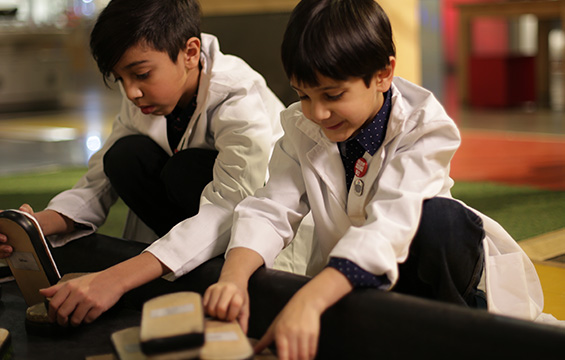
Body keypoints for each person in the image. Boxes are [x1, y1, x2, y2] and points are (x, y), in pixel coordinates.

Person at [203, 1, 548, 359]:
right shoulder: (302, 126)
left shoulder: (426, 127)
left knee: (439, 222)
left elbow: (390, 226)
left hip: (434, 271)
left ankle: (454, 335)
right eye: (303, 95)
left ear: (383, 74)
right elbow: (271, 207)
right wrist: (233, 278)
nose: (317, 113)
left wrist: (309, 298)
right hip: (359, 274)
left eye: (333, 95)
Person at [0, 0, 284, 326]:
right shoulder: (143, 92)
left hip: (245, 231)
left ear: (190, 53)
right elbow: (100, 179)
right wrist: (36, 225)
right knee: (124, 155)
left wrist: (116, 279)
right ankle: (168, 260)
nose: (131, 91)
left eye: (141, 74)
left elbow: (229, 208)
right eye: (119, 79)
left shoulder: (240, 98)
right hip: (189, 221)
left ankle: (187, 266)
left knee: (184, 170)